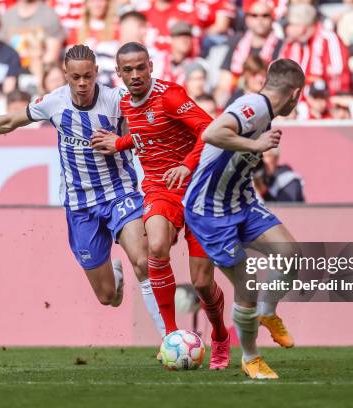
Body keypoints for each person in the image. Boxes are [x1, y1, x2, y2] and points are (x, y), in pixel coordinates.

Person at [0, 44, 167, 342]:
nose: (82, 83)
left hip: (119, 194)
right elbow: (9, 121)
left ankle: (168, 337)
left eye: (87, 76)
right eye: (75, 77)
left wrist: (122, 141)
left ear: (97, 73)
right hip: (80, 205)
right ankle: (115, 275)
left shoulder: (116, 100)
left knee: (143, 260)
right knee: (108, 297)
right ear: (65, 75)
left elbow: (150, 131)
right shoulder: (53, 102)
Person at [91, 42, 231, 370]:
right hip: (159, 188)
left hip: (198, 190)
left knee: (201, 283)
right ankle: (171, 334)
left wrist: (187, 164)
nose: (136, 74)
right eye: (128, 70)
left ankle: (221, 336)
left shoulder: (171, 96)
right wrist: (120, 142)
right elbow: (147, 133)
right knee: (154, 246)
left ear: (151, 66)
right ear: (120, 73)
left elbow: (209, 130)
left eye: (141, 67)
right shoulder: (125, 102)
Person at [183, 58, 305, 379]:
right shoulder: (253, 106)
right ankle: (250, 358)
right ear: (295, 93)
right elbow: (212, 132)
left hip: (241, 200)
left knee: (291, 256)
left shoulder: (264, 110)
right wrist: (256, 144)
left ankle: (266, 312)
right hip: (209, 210)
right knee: (247, 284)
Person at [216, 0, 283, 106]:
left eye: (265, 15)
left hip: (268, 103)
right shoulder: (237, 43)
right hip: (238, 100)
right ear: (247, 18)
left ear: (272, 18)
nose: (259, 19)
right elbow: (224, 84)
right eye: (254, 15)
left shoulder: (281, 46)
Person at [280, 3, 352, 96]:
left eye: (290, 24)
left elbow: (339, 76)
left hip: (326, 99)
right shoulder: (292, 43)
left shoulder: (328, 39)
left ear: (302, 27)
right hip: (299, 102)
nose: (286, 29)